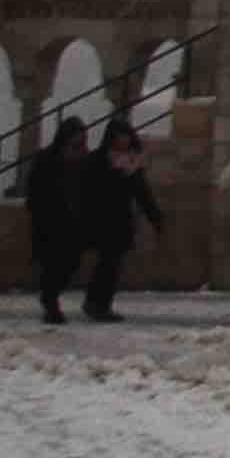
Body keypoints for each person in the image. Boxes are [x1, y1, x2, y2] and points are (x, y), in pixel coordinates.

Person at [79, 130, 162, 320]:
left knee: (112, 264)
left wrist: (155, 217)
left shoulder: (131, 162)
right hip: (102, 218)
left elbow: (142, 192)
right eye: (120, 135)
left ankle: (100, 303)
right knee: (107, 263)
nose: (123, 139)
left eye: (126, 135)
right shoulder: (98, 160)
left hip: (121, 220)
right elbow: (87, 188)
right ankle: (96, 303)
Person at [21, 119, 94, 322]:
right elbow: (36, 187)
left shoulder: (85, 159)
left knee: (71, 262)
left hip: (74, 220)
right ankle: (51, 302)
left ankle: (50, 297)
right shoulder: (48, 157)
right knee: (53, 263)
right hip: (51, 220)